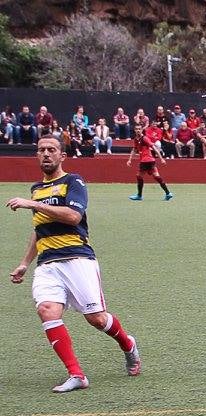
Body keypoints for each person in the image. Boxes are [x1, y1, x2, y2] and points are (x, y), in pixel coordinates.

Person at [8, 137, 142, 392]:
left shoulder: (73, 181)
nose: (46, 154)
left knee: (96, 319)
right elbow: (40, 230)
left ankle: (128, 344)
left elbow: (73, 216)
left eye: (52, 150)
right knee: (47, 309)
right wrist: (25, 263)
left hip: (77, 258)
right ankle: (77, 375)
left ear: (62, 156)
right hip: (47, 264)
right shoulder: (37, 189)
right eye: (41, 150)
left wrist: (33, 205)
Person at [125, 126, 172, 201]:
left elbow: (154, 147)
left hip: (146, 161)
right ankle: (168, 193)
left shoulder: (144, 138)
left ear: (142, 130)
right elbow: (134, 149)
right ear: (134, 130)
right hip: (150, 161)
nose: (138, 130)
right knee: (156, 176)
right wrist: (129, 159)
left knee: (139, 176)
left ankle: (139, 196)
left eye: (139, 129)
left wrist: (161, 158)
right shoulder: (136, 139)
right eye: (136, 129)